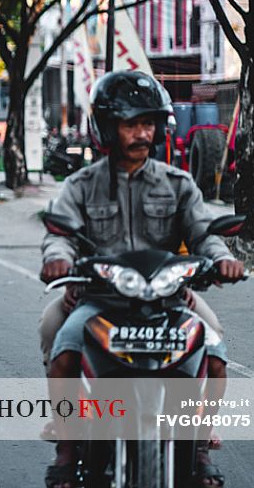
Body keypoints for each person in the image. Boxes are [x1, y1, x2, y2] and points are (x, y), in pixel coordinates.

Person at [40, 71, 244, 488]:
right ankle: (66, 443)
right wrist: (58, 262)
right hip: (98, 300)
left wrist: (223, 261)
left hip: (170, 300)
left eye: (147, 123)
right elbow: (58, 236)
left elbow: (204, 236)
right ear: (106, 128)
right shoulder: (80, 185)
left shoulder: (178, 183)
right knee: (58, 343)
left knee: (217, 352)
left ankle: (200, 442)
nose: (141, 133)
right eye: (130, 124)